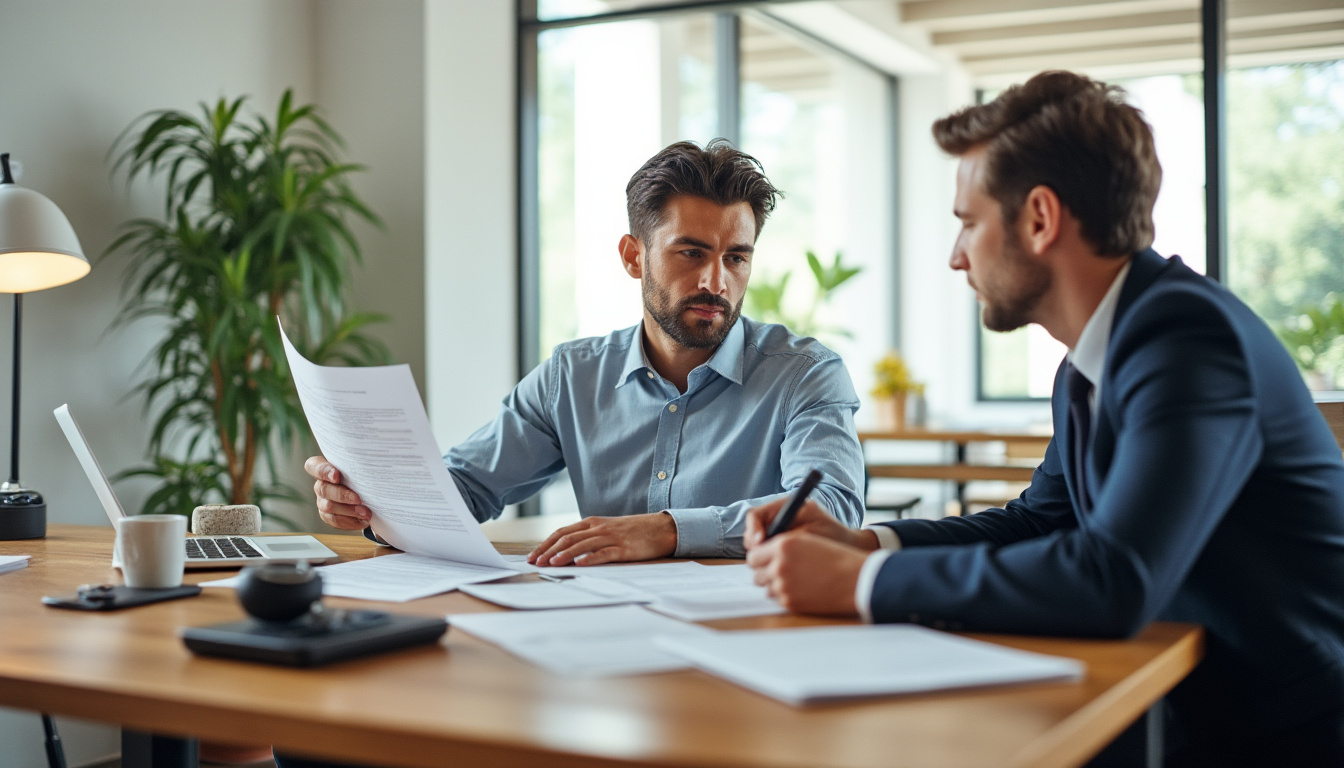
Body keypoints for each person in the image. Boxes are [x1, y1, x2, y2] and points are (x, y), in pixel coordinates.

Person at [744, 71, 1344, 766]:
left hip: (1288, 734)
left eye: (968, 222)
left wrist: (857, 587)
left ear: (1039, 218)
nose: (955, 256)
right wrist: (867, 545)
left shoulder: (1186, 339)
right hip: (1186, 703)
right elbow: (1041, 519)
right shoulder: (1093, 358)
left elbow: (1111, 578)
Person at [306, 139, 865, 566]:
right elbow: (468, 488)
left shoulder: (806, 375)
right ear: (632, 255)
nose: (716, 281)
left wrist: (665, 529)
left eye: (736, 257)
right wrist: (371, 501)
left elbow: (831, 512)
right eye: (691, 252)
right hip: (602, 641)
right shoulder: (570, 378)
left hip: (756, 636)